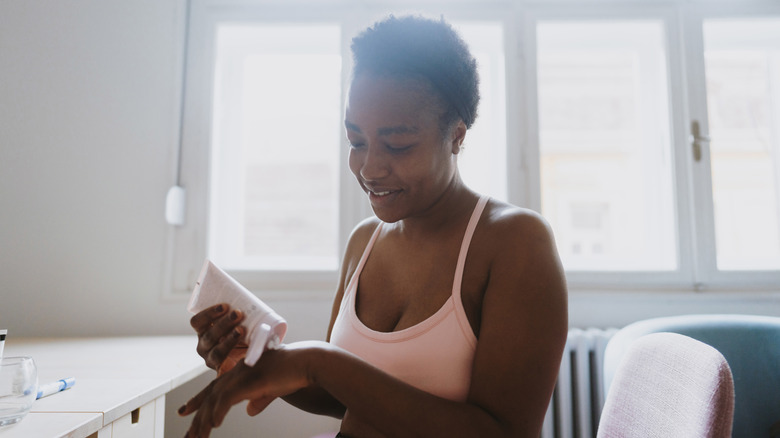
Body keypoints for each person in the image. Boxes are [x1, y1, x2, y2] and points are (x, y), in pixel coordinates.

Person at [179, 15, 568, 438]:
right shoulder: (364, 242)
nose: (369, 169)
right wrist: (262, 362)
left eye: (398, 145)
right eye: (357, 142)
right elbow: (341, 399)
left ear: (456, 136)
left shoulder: (516, 242)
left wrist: (316, 362)